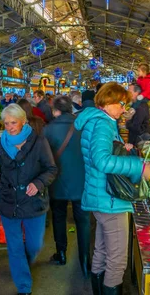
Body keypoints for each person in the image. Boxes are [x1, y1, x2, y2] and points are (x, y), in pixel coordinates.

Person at [74, 82, 150, 294]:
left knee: (101, 251)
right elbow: (101, 161)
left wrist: (122, 147)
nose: (123, 109)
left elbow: (103, 152)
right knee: (117, 260)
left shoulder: (99, 121)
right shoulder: (102, 124)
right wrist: (139, 167)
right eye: (121, 104)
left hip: (100, 196)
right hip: (110, 200)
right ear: (108, 102)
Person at [0, 104, 57, 295]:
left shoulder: (38, 142)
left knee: (34, 245)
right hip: (9, 201)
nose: (10, 127)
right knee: (14, 247)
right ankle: (24, 287)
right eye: (6, 123)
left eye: (13, 123)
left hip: (33, 202)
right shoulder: (0, 144)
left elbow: (51, 169)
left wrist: (38, 183)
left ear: (23, 122)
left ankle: (23, 265)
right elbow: (1, 171)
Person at [44, 96, 90, 277]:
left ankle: (61, 253)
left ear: (55, 111)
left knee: (59, 217)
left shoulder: (48, 130)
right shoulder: (82, 126)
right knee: (83, 220)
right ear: (71, 109)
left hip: (58, 182)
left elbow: (44, 158)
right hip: (81, 180)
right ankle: (85, 260)